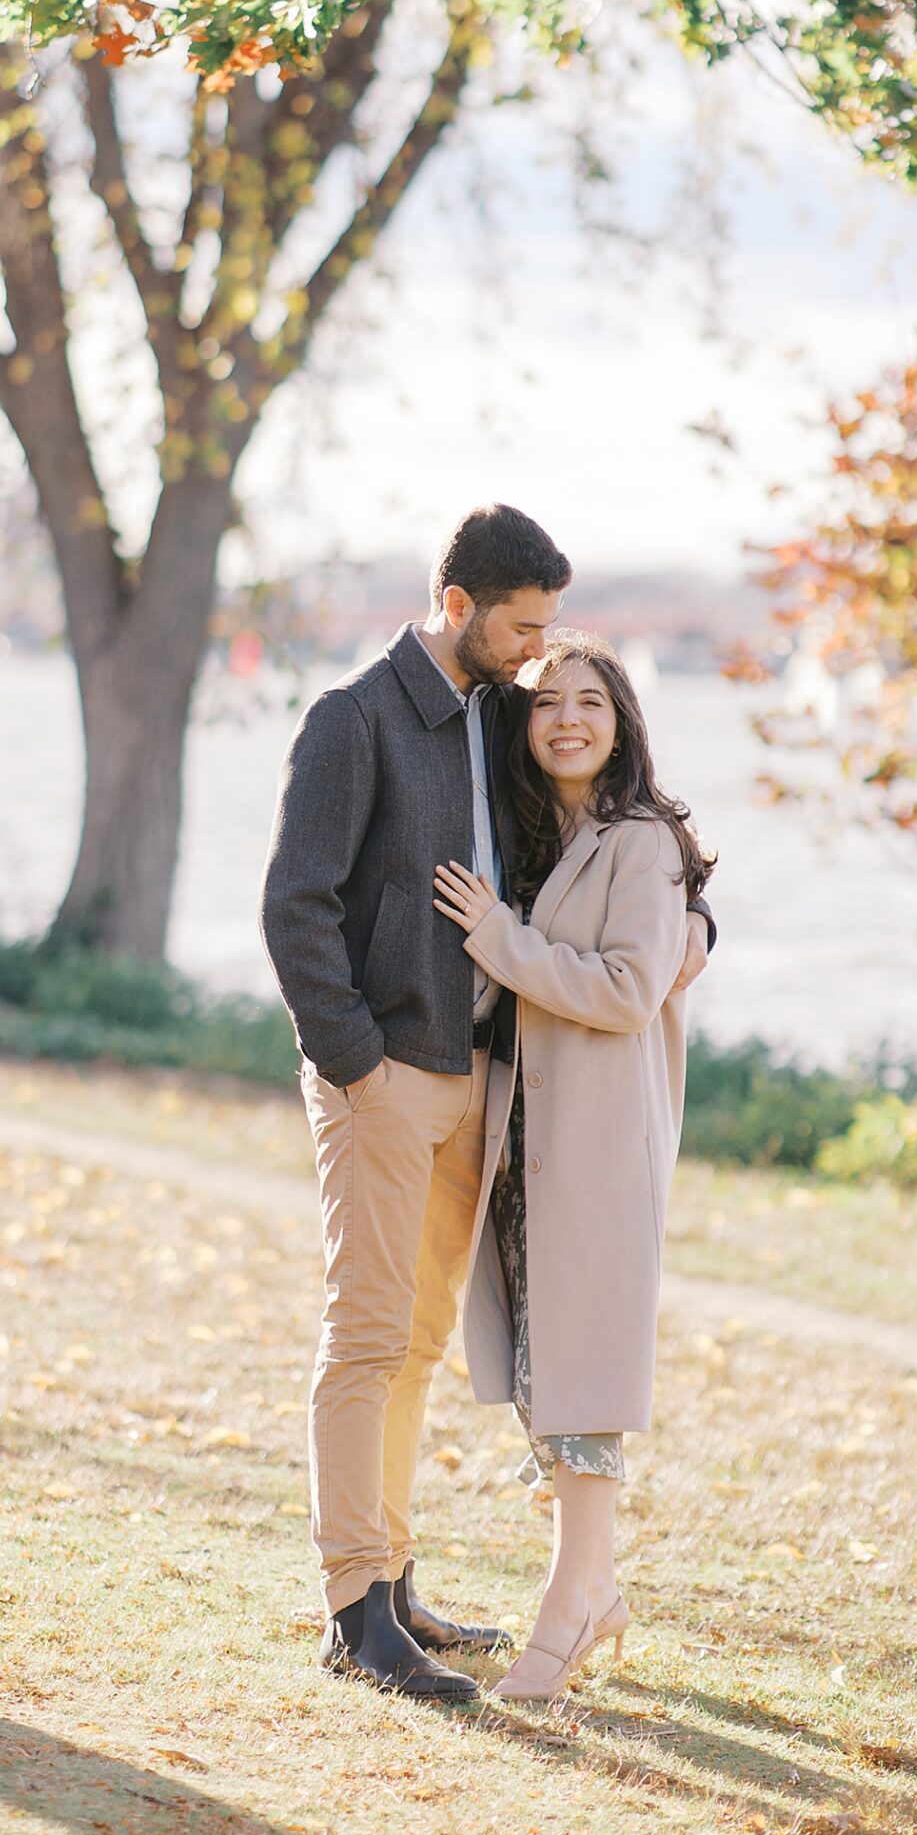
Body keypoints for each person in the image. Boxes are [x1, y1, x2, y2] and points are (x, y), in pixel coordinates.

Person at [260, 508, 713, 1701]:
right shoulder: (353, 721)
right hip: (386, 1081)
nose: (537, 653)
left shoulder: (500, 716)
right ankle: (355, 1609)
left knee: (415, 1341)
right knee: (366, 1338)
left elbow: (619, 820)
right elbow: (294, 910)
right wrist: (357, 1062)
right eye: (521, 627)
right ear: (456, 606)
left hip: (479, 1088)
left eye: (547, 631)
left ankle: (395, 1582)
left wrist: (694, 929)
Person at [433, 631, 715, 1701]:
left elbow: (625, 988)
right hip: (525, 1145)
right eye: (548, 702)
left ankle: (569, 1600)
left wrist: (501, 941)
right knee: (546, 1372)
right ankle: (597, 1589)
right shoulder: (529, 832)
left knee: (582, 1378)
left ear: (622, 722)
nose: (566, 719)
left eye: (589, 702)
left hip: (598, 1149)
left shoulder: (641, 840)